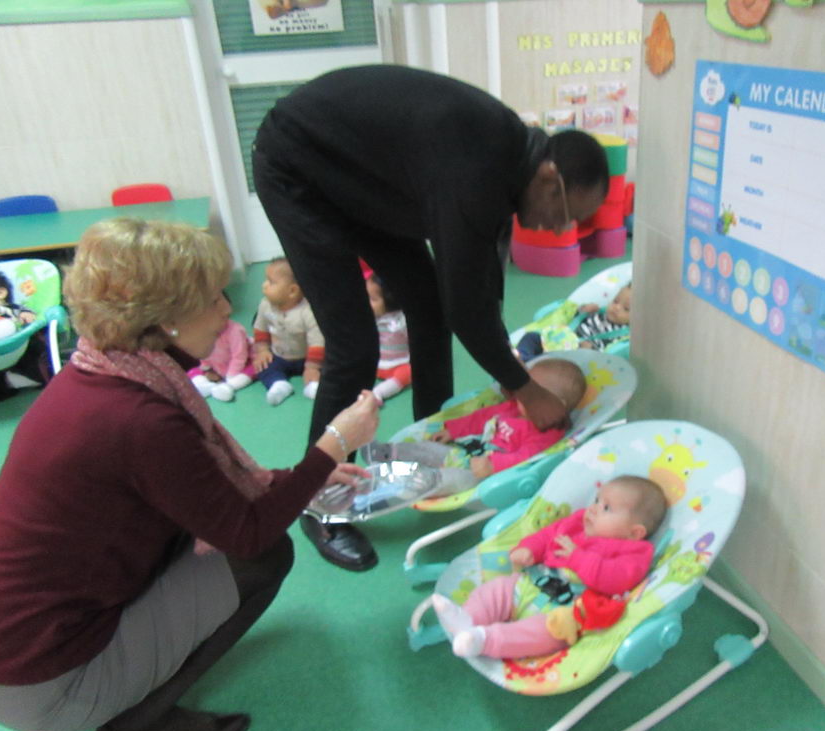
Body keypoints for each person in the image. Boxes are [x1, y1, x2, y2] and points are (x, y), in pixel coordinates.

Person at [0, 218, 379, 731]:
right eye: (211, 299)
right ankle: (136, 725)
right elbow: (249, 532)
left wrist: (308, 478)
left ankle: (134, 692)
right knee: (267, 556)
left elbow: (199, 489)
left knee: (219, 540)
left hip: (3, 647)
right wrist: (333, 445)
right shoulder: (140, 419)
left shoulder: (101, 370)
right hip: (42, 680)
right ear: (162, 320)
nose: (225, 311)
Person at [253, 64, 610, 570]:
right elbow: (467, 304)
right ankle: (319, 504)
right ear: (550, 178)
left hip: (368, 178)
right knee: (354, 341)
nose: (561, 227)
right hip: (299, 168)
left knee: (426, 304)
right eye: (566, 211)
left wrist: (506, 367)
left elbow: (477, 280)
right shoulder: (479, 169)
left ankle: (429, 436)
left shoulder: (509, 164)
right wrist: (523, 386)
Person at [432, 476, 667, 659]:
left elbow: (617, 580)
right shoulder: (577, 522)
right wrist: (529, 549)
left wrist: (579, 559)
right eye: (597, 500)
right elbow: (547, 536)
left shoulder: (635, 552)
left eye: (606, 508)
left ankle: (483, 640)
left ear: (634, 532)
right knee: (495, 590)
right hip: (530, 582)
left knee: (539, 635)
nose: (593, 508)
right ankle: (468, 619)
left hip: (561, 611)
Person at [364, 358, 586, 496]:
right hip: (468, 452)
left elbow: (527, 457)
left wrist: (493, 466)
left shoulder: (547, 434)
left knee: (452, 479)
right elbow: (482, 417)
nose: (524, 394)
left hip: (484, 474)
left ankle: (412, 483)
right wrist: (453, 430)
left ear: (557, 405)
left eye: (534, 393)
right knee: (428, 449)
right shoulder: (514, 408)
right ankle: (388, 453)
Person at [252, 257, 325, 406]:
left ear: (292, 291)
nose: (264, 285)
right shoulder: (265, 305)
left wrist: (312, 367)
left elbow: (317, 341)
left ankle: (313, 385)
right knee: (264, 367)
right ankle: (278, 384)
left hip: (307, 357)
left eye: (271, 282)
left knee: (329, 365)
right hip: (279, 356)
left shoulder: (307, 312)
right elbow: (260, 329)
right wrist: (263, 351)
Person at [516, 283, 632, 362]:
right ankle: (523, 358)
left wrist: (591, 349)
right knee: (531, 336)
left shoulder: (622, 335)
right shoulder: (599, 312)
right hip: (559, 338)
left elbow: (609, 352)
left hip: (574, 353)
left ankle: (534, 364)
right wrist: (582, 310)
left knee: (561, 365)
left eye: (626, 309)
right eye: (615, 301)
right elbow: (574, 319)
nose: (616, 307)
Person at [365, 272, 411, 406]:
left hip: (400, 364)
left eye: (373, 299)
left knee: (409, 373)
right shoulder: (372, 318)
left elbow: (417, 341)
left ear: (390, 299)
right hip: (377, 364)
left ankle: (379, 393)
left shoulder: (402, 321)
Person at [189, 312, 255, 402]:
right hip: (217, 366)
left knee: (253, 369)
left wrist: (230, 375)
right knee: (193, 372)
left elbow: (239, 356)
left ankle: (228, 386)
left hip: (243, 364)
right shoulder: (203, 333)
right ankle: (206, 386)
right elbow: (203, 353)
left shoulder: (234, 330)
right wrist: (208, 370)